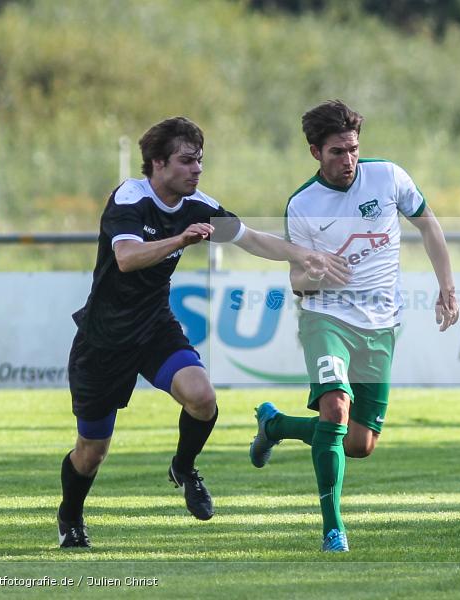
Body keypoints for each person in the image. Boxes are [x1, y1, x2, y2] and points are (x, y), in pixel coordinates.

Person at [57, 116, 349, 548]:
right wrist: (180, 240)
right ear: (158, 163)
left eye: (200, 162)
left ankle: (184, 466)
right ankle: (71, 517)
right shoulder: (130, 198)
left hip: (154, 328)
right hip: (104, 340)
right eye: (187, 161)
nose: (197, 170)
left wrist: (304, 255)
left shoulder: (199, 205)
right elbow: (127, 258)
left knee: (202, 397)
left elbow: (251, 239)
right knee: (91, 451)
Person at [248, 100, 459, 552]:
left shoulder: (387, 177)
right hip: (326, 318)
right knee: (335, 409)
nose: (348, 161)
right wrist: (314, 274)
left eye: (353, 149)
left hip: (381, 324)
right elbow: (298, 282)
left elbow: (429, 226)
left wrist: (447, 286)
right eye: (337, 152)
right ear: (314, 153)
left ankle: (276, 426)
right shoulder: (303, 204)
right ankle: (333, 530)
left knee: (360, 443)